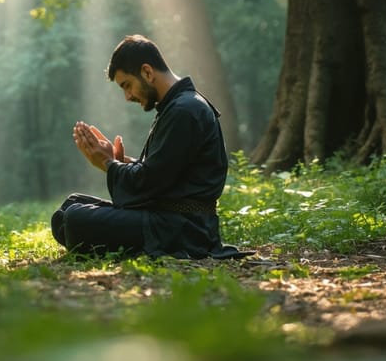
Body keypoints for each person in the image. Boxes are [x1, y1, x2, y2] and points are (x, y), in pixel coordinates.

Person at [51, 34, 249, 259]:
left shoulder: (185, 110)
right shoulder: (177, 106)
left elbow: (151, 182)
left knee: (75, 218)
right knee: (71, 205)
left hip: (183, 229)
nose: (127, 97)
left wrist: (108, 163)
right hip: (168, 218)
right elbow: (166, 174)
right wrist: (122, 162)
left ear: (147, 72)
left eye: (127, 85)